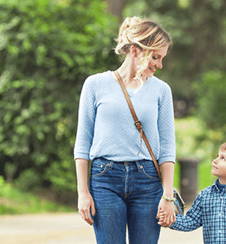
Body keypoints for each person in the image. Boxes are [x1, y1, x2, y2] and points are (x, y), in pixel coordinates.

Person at [74, 16, 176, 244]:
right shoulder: (95, 85)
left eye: (162, 58)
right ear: (135, 50)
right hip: (104, 179)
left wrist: (167, 196)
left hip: (147, 181)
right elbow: (83, 143)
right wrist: (83, 192)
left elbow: (168, 148)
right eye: (156, 57)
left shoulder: (161, 91)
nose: (159, 65)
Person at [158, 141, 226, 244]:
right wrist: (169, 219)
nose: (215, 160)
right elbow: (190, 221)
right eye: (217, 156)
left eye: (223, 158)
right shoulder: (205, 196)